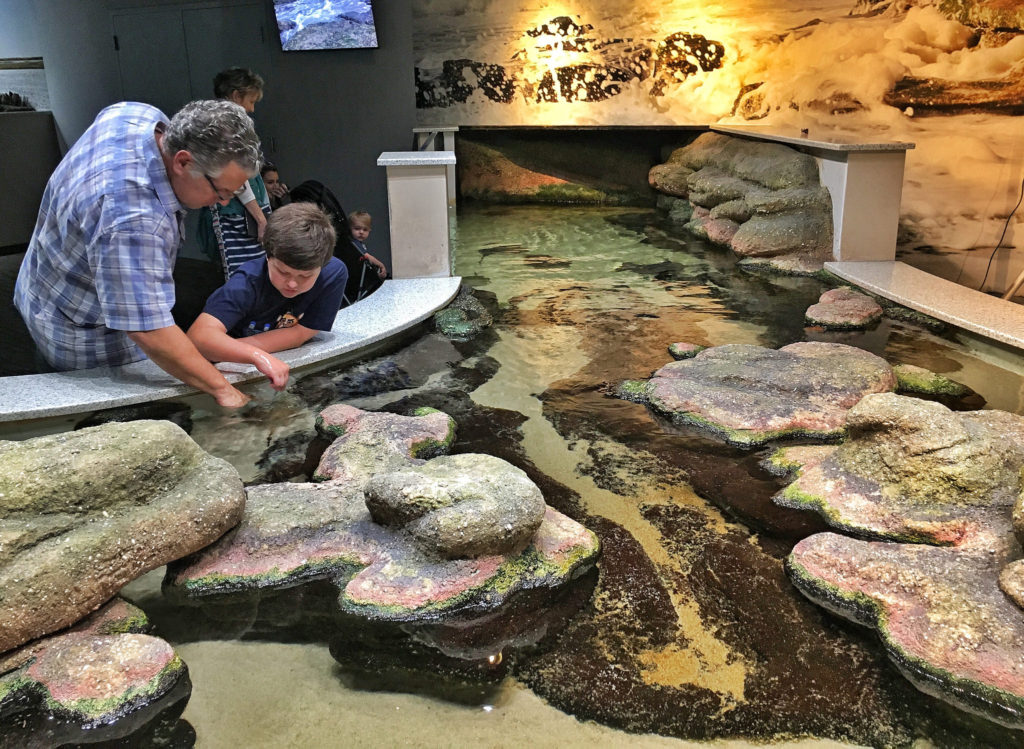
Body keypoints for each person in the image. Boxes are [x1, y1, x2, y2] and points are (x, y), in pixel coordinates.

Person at [14, 99, 261, 408]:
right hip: (79, 327)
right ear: (182, 162)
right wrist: (225, 391)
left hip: (44, 278)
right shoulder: (134, 220)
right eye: (220, 192)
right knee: (116, 418)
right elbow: (149, 328)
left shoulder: (135, 115)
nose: (222, 203)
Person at [187, 203, 348, 390]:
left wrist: (224, 350)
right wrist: (255, 355)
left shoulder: (333, 273)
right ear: (268, 256)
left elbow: (303, 332)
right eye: (283, 272)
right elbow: (199, 339)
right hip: (232, 369)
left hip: (244, 352)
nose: (292, 284)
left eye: (305, 276)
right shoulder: (246, 284)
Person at [202, 67, 272, 278]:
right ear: (235, 95)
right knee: (243, 275)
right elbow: (235, 181)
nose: (251, 108)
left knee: (259, 269)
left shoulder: (234, 124)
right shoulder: (223, 126)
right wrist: (261, 219)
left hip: (249, 210)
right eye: (250, 101)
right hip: (235, 214)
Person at [347, 210, 388, 281]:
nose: (361, 232)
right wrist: (381, 265)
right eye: (357, 228)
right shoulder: (354, 243)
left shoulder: (359, 244)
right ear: (350, 229)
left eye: (365, 229)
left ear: (369, 230)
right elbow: (367, 256)